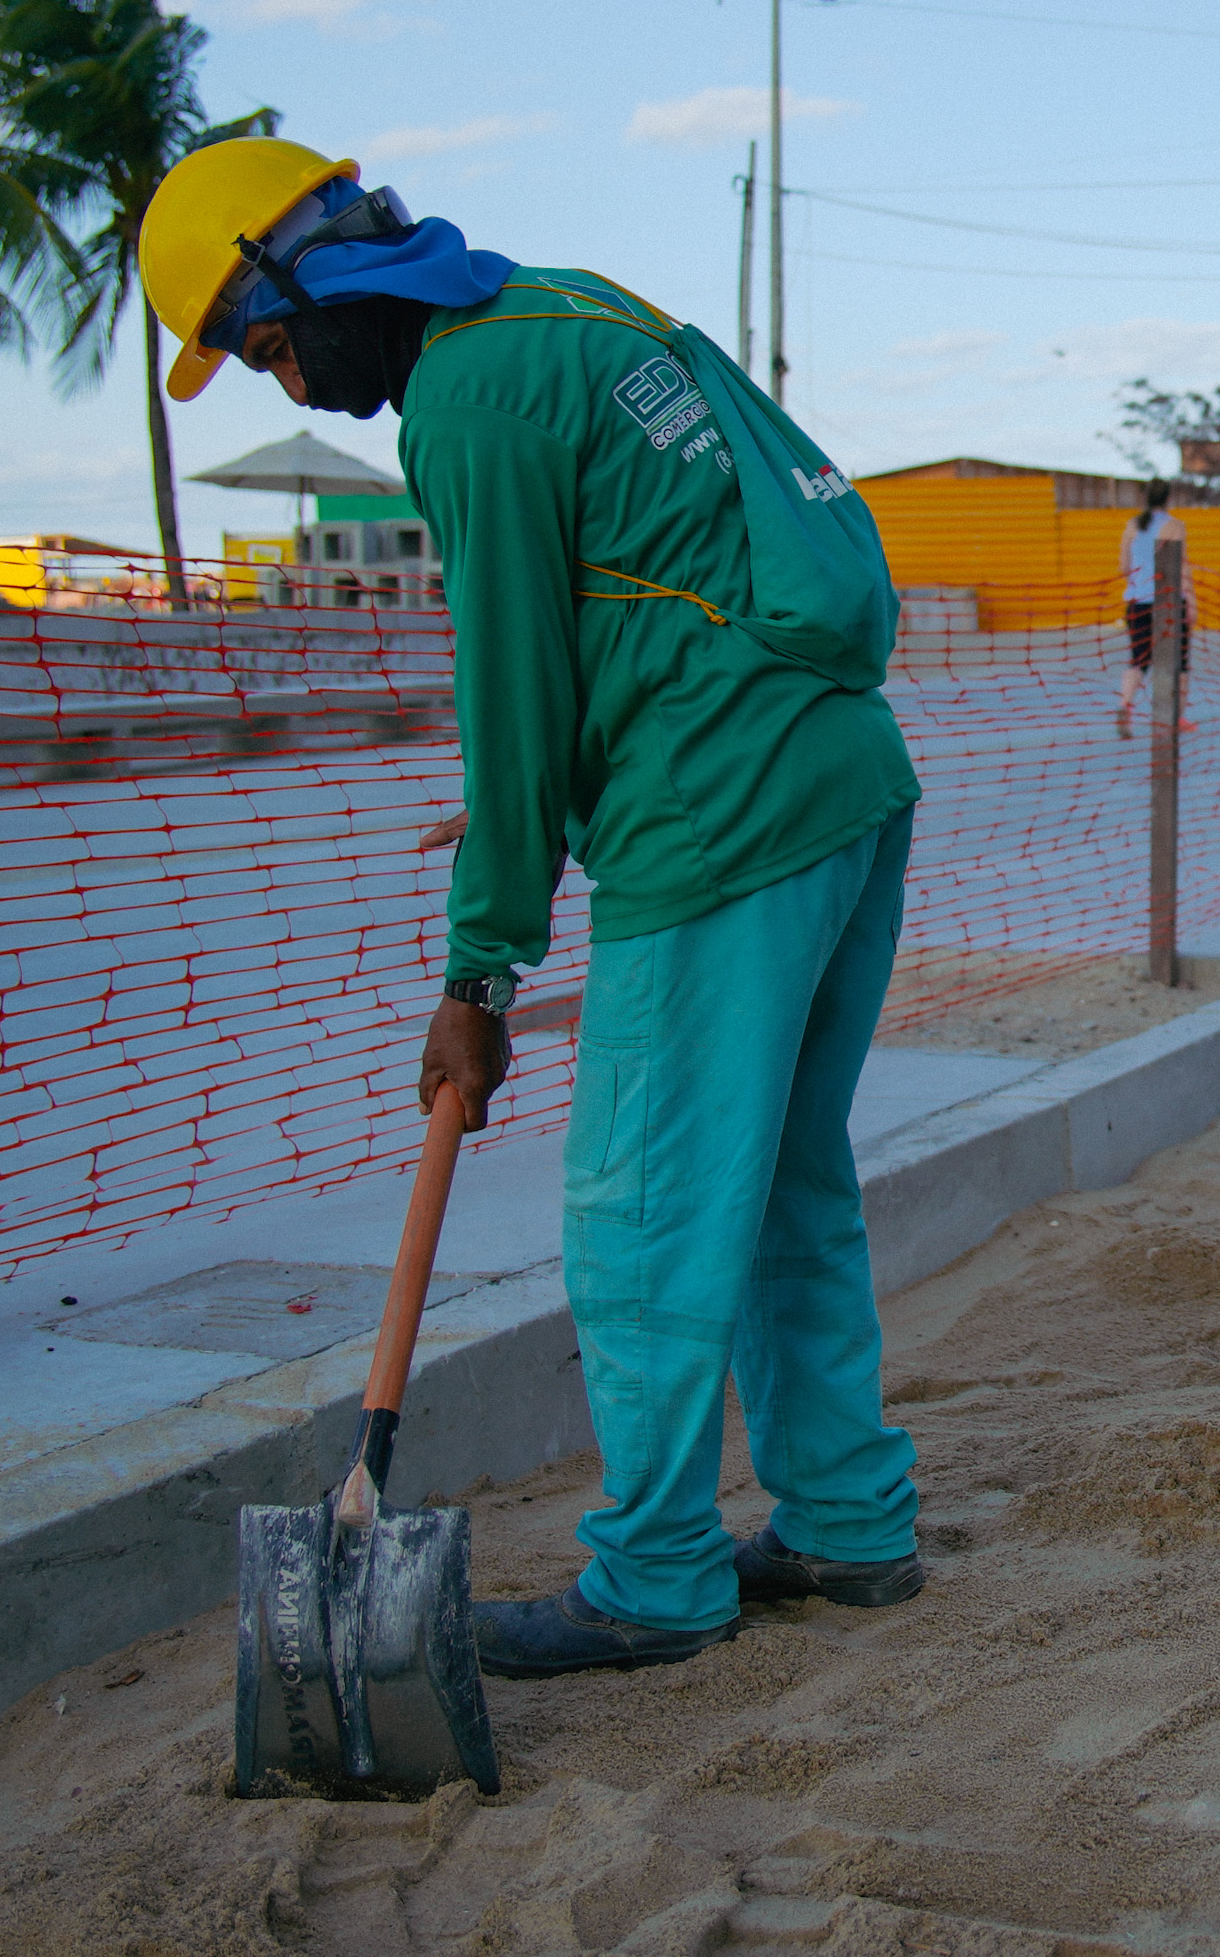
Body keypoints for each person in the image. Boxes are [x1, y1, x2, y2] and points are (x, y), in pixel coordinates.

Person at [138, 137, 929, 1674]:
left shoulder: (464, 401)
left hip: (718, 817)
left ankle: (652, 1577)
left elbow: (511, 680)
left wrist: (478, 968)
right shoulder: (564, 307)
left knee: (639, 1212)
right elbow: (637, 594)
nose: (291, 387)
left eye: (273, 346)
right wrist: (547, 795)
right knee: (779, 1187)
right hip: (842, 782)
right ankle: (844, 1520)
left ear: (311, 276)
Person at [1116, 479, 1188, 735]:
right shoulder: (1175, 526)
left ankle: (1125, 704)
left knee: (1138, 661)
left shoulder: (1131, 526)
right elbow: (1181, 569)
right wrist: (1192, 603)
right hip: (1167, 603)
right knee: (1177, 664)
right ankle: (1174, 719)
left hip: (1138, 603)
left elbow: (1123, 567)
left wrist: (1137, 587)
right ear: (1169, 498)